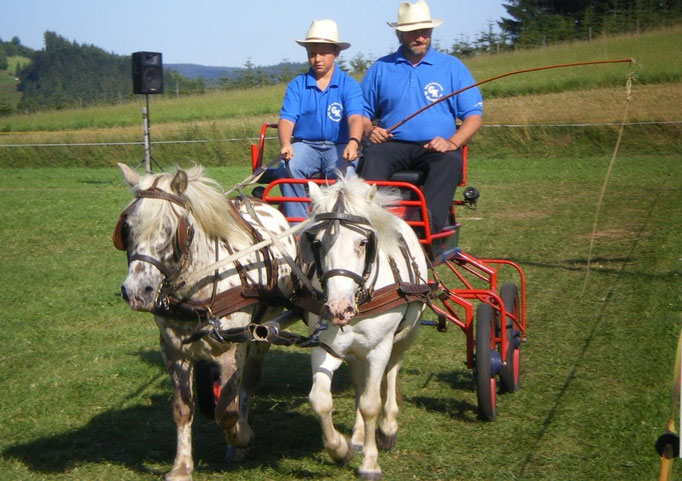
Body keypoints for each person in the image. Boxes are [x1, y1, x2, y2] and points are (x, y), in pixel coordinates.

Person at [359, 0, 483, 234]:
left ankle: (425, 231)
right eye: (412, 32)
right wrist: (369, 130)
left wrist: (452, 142)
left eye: (424, 31)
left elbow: (473, 116)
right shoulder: (381, 68)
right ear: (399, 34)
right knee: (372, 157)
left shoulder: (451, 67)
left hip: (436, 147)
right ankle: (369, 228)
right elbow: (361, 113)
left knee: (450, 161)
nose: (420, 37)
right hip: (391, 144)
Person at [277, 19, 365, 221]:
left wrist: (353, 142)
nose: (317, 59)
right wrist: (285, 143)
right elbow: (287, 119)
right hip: (306, 145)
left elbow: (355, 118)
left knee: (347, 176)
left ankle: (343, 225)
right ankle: (298, 227)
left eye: (323, 53)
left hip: (340, 145)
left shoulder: (349, 85)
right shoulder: (297, 85)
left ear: (336, 52)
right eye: (311, 53)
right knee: (289, 167)